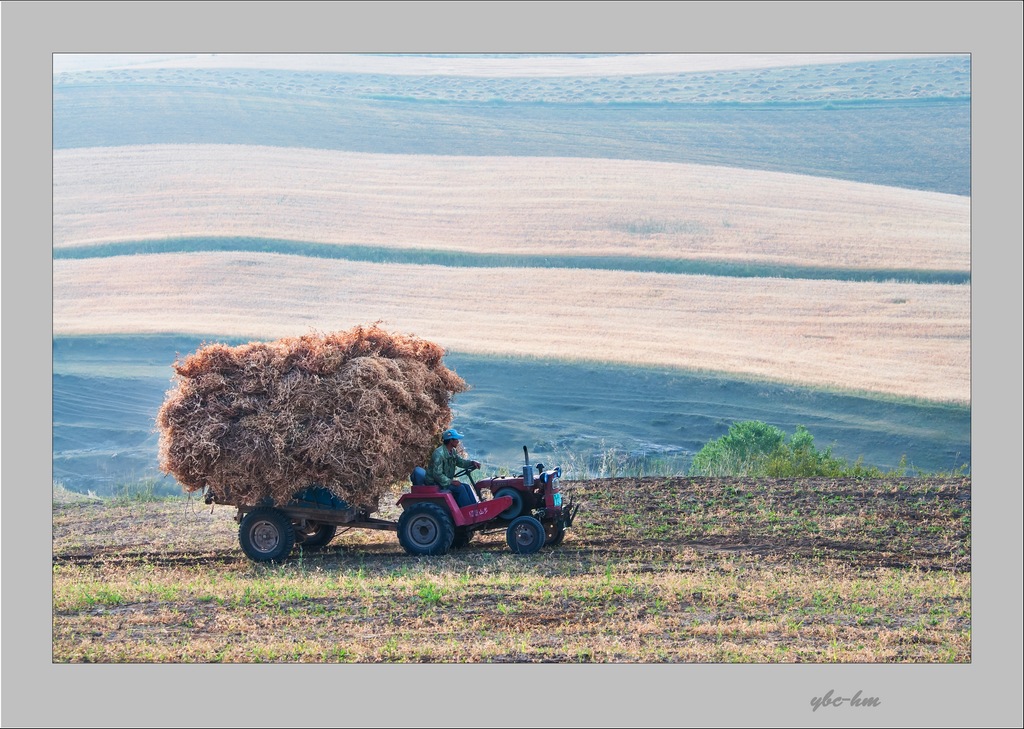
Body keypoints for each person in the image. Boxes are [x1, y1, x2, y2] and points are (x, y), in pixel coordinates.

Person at [423, 428, 481, 507]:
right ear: (451, 441)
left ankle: (476, 508)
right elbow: (437, 475)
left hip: (444, 480)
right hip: (435, 483)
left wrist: (472, 463)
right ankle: (468, 512)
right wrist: (451, 482)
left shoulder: (452, 451)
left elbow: (460, 462)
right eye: (456, 439)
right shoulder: (439, 454)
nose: (458, 441)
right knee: (460, 488)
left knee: (467, 486)